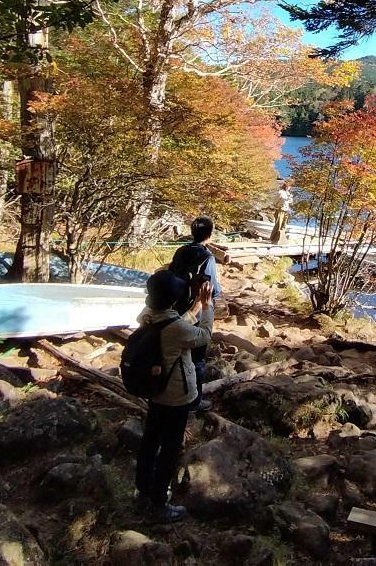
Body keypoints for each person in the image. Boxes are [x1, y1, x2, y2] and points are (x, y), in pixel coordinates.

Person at [135, 269, 213, 523]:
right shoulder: (175, 328)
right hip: (176, 395)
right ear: (171, 298)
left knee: (150, 440)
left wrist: (195, 307)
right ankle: (160, 502)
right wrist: (207, 307)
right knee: (169, 448)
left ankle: (142, 489)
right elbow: (203, 336)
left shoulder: (147, 316)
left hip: (154, 391)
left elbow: (178, 324)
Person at [168, 216, 220, 413]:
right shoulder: (207, 257)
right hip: (197, 311)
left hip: (176, 307)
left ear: (192, 232)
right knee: (197, 357)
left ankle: (173, 391)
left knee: (176, 353)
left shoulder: (180, 251)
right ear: (209, 234)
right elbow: (214, 289)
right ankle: (194, 401)